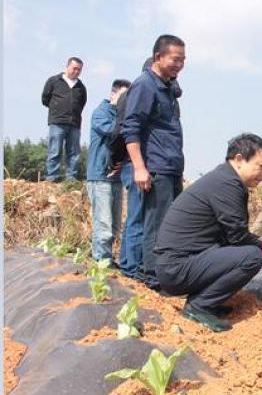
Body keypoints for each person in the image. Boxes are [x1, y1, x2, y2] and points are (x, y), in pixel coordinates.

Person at [155, 133, 262, 332]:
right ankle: (199, 307)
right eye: (261, 165)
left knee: (244, 251)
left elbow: (233, 235)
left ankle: (203, 301)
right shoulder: (227, 184)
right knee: (251, 257)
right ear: (239, 160)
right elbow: (237, 236)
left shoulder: (225, 179)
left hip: (180, 263)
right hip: (176, 267)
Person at [122, 34, 186, 291]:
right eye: (175, 59)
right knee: (156, 225)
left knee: (169, 224)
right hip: (156, 167)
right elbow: (131, 128)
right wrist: (139, 167)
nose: (180, 65)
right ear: (158, 57)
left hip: (171, 167)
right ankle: (153, 277)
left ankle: (161, 274)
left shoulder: (167, 87)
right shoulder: (145, 85)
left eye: (183, 60)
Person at [86, 79, 131, 263]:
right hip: (100, 176)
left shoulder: (122, 116)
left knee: (114, 226)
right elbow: (116, 133)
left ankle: (108, 259)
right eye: (123, 96)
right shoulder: (101, 113)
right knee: (103, 223)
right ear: (112, 94)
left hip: (116, 178)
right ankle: (101, 261)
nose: (125, 101)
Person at [41, 57, 87, 182]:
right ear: (67, 66)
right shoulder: (54, 81)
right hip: (57, 122)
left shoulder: (81, 87)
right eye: (74, 68)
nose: (76, 72)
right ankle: (52, 177)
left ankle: (71, 178)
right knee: (55, 150)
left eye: (79, 70)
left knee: (74, 153)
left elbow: (82, 103)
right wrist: (57, 109)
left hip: (74, 123)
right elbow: (45, 99)